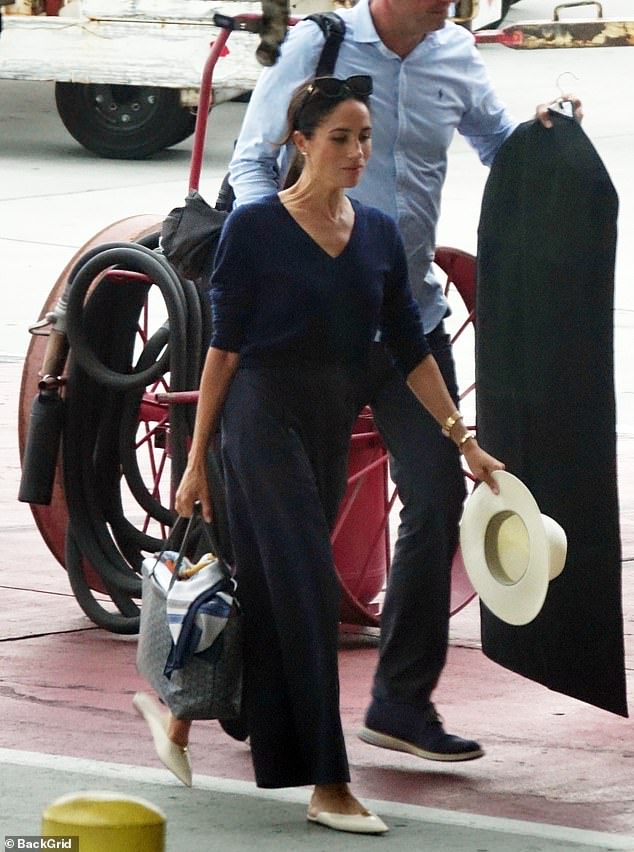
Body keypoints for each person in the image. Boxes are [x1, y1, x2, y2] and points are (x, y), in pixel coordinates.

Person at [135, 75, 504, 835]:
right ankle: (328, 785)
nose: (357, 151)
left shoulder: (375, 231)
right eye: (340, 137)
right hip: (260, 416)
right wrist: (198, 459)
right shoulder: (258, 228)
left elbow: (410, 347)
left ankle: (179, 703)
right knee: (306, 588)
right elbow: (223, 352)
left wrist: (465, 442)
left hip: (328, 419)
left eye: (364, 136)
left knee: (274, 597)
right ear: (299, 144)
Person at [227, 0, 583, 762]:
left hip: (406, 320)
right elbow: (251, 162)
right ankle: (253, 683)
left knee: (437, 495)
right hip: (309, 335)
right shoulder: (320, 46)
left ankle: (401, 701)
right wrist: (281, 259)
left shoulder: (455, 54)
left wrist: (549, 136)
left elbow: (501, 148)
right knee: (292, 524)